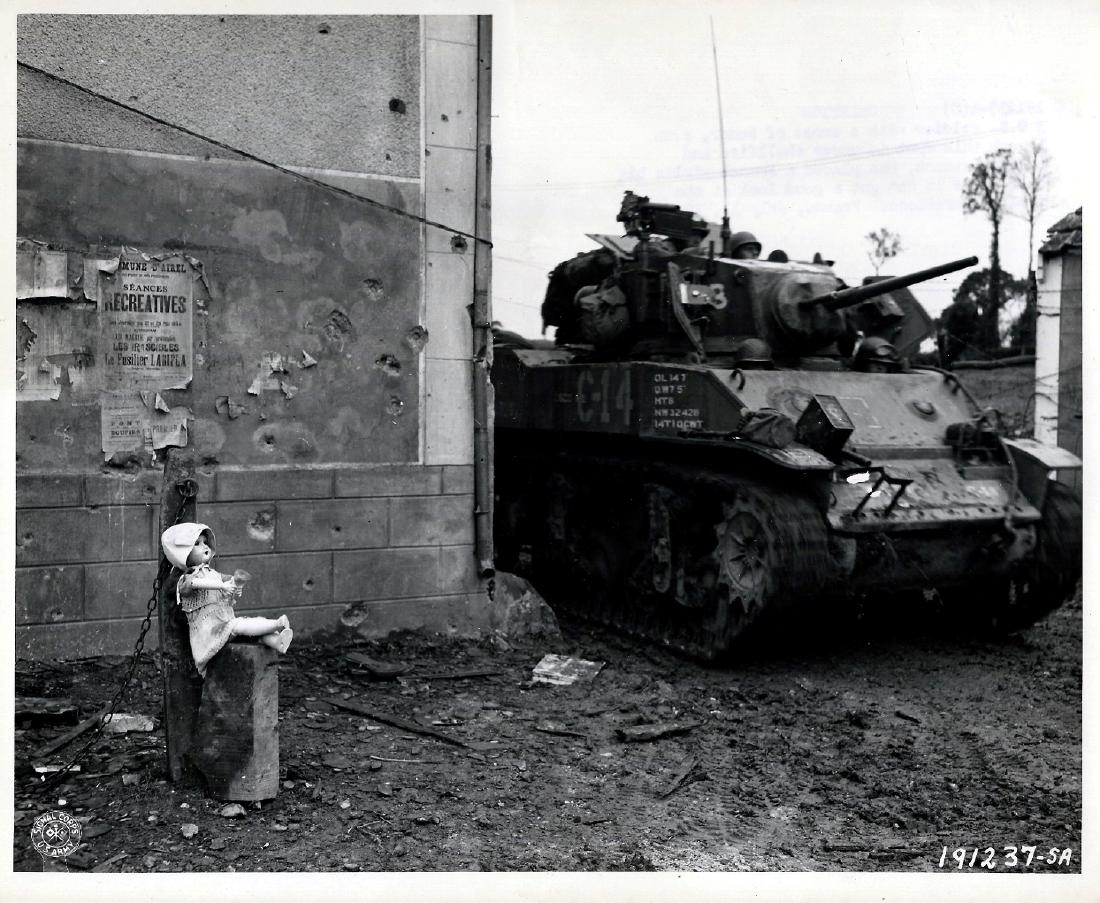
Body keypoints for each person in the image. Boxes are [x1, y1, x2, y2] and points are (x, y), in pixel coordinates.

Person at [161, 523, 292, 678]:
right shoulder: (188, 577)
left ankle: (278, 642)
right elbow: (194, 585)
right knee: (239, 626)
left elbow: (228, 581)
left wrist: (234, 583)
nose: (204, 546)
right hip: (208, 631)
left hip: (222, 621)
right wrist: (221, 586)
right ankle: (277, 624)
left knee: (252, 628)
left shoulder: (212, 573)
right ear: (182, 554)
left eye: (205, 542)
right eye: (197, 544)